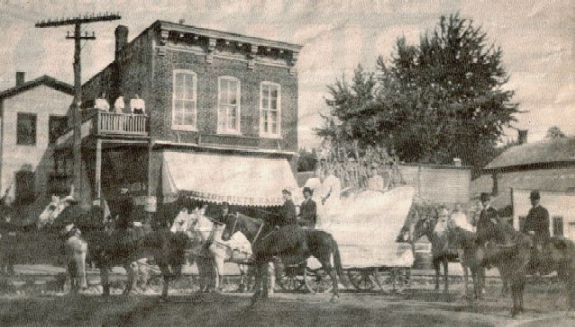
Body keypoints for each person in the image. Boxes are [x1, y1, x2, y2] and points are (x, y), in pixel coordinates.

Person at [521, 190, 550, 274]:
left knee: (537, 246)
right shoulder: (530, 211)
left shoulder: (544, 211)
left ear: (538, 200)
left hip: (542, 234)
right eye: (531, 199)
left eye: (534, 199)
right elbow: (526, 224)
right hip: (531, 235)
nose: (532, 201)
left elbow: (546, 224)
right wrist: (524, 232)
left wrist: (535, 231)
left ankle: (538, 269)